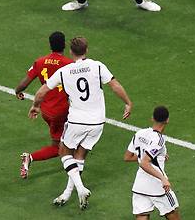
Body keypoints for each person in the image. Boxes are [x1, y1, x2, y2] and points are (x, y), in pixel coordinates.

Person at [28, 37, 133, 210]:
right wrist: (128, 102)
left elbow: (42, 91)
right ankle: (68, 193)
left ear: (71, 52)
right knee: (80, 155)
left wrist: (35, 106)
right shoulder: (98, 66)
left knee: (63, 152)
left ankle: (81, 188)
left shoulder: (65, 71)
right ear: (86, 50)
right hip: (98, 122)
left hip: (77, 120)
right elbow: (115, 85)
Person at [14, 31, 73, 179]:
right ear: (64, 45)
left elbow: (24, 82)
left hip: (46, 111)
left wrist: (18, 91)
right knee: (58, 148)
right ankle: (30, 157)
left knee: (64, 138)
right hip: (63, 111)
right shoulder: (69, 64)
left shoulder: (40, 62)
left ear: (50, 45)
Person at [124, 106, 180, 219]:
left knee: (142, 215)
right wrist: (162, 179)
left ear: (152, 118)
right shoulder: (159, 140)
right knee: (172, 213)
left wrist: (159, 155)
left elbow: (128, 157)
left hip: (140, 185)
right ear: (167, 120)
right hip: (158, 186)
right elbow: (144, 163)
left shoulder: (140, 133)